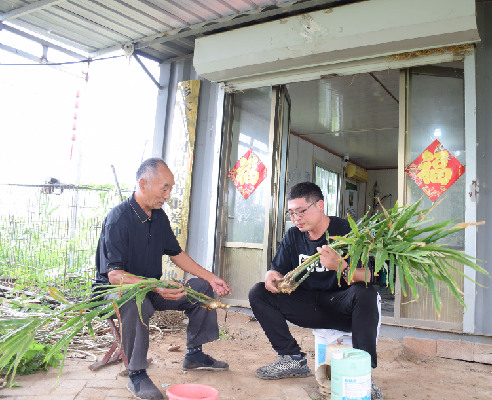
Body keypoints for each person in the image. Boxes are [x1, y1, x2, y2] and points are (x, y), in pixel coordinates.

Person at [94, 158, 231, 400]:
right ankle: (136, 374)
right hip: (116, 292)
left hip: (151, 290)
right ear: (143, 184)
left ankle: (194, 355)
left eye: (170, 188)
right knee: (134, 302)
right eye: (164, 188)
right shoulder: (118, 220)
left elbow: (176, 253)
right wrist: (158, 288)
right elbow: (115, 276)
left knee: (201, 288)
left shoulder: (158, 217)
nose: (167, 195)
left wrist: (211, 278)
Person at [248, 182, 383, 399]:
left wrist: (341, 266)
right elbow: (277, 270)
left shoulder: (348, 231)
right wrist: (271, 275)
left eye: (302, 211)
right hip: (309, 307)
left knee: (365, 293)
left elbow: (370, 276)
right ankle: (292, 358)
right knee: (258, 293)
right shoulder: (293, 236)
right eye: (291, 213)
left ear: (320, 205)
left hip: (342, 306)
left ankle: (363, 374)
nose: (296, 218)